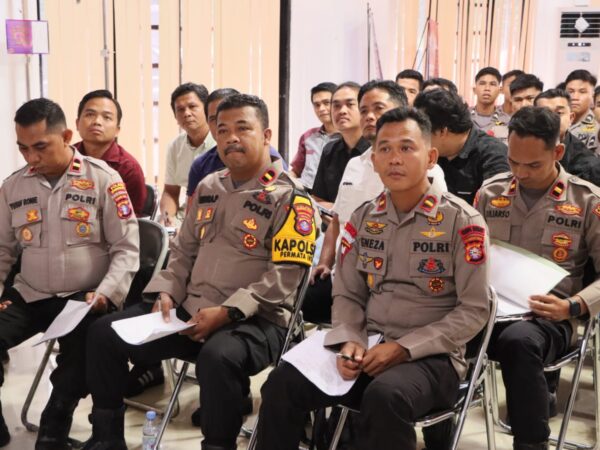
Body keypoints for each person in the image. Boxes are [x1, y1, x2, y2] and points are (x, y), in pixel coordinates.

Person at [83, 94, 319, 450]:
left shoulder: (290, 197)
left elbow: (285, 278)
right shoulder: (209, 186)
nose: (231, 138)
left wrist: (227, 312)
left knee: (217, 356)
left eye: (243, 128)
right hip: (191, 310)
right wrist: (167, 292)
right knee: (104, 333)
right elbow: (183, 251)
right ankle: (106, 437)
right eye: (222, 130)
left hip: (257, 320)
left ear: (266, 135)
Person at [255, 107, 490, 450]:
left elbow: (474, 309)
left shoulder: (462, 222)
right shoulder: (364, 218)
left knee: (384, 397)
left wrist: (405, 349)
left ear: (430, 157)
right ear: (374, 160)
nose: (394, 158)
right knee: (281, 383)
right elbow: (348, 292)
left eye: (406, 148)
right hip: (367, 344)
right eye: (385, 149)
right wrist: (350, 338)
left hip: (433, 358)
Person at [0, 98, 139, 449]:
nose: (31, 157)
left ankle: (55, 421)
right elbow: (2, 250)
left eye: (40, 147)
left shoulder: (104, 179)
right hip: (30, 293)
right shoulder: (13, 187)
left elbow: (126, 248)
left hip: (84, 298)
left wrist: (106, 292)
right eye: (23, 148)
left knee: (86, 347)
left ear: (65, 136)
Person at [475, 106, 600, 450]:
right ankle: (438, 433)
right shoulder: (490, 193)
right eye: (513, 162)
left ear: (557, 152)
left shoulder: (587, 201)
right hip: (488, 310)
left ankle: (532, 444)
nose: (520, 173)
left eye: (532, 165)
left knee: (519, 342)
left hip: (550, 317)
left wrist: (573, 306)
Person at [302, 80, 446, 324]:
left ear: (401, 112)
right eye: (364, 110)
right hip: (343, 274)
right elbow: (337, 220)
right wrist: (325, 263)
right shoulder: (354, 165)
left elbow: (430, 236)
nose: (369, 116)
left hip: (392, 281)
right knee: (304, 303)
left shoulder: (425, 170)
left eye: (378, 108)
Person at [414, 88, 509, 205]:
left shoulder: (493, 155)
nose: (418, 138)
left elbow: (497, 209)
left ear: (442, 131)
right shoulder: (432, 154)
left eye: (422, 132)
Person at [74, 89, 147, 216]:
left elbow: (132, 220)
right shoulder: (66, 158)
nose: (97, 121)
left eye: (107, 117)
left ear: (117, 130)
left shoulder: (129, 169)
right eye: (90, 115)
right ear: (77, 123)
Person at [159, 82, 215, 226]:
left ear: (207, 109)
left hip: (215, 218)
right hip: (185, 218)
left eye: (192, 106)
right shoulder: (175, 146)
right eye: (180, 109)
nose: (187, 113)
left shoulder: (220, 142)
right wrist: (167, 218)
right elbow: (171, 191)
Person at [311, 82, 370, 209]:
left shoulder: (376, 150)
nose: (342, 111)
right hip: (330, 219)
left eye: (350, 104)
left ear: (364, 109)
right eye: (336, 106)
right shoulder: (329, 150)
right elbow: (318, 199)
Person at [535, 88, 600, 186]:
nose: (550, 119)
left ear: (571, 118)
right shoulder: (521, 149)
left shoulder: (589, 166)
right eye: (544, 114)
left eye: (558, 113)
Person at [290, 82, 339, 189]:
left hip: (332, 195)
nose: (321, 109)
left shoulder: (347, 138)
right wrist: (285, 181)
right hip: (303, 192)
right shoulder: (307, 136)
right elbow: (296, 171)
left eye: (326, 103)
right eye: (317, 105)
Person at [565, 69, 600, 153]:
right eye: (570, 91)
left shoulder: (596, 128)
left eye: (582, 92)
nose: (574, 97)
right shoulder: (557, 121)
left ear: (592, 96)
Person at [470, 66, 504, 132]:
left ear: (499, 91)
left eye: (492, 84)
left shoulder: (506, 121)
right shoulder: (463, 116)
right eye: (482, 83)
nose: (487, 88)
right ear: (474, 90)